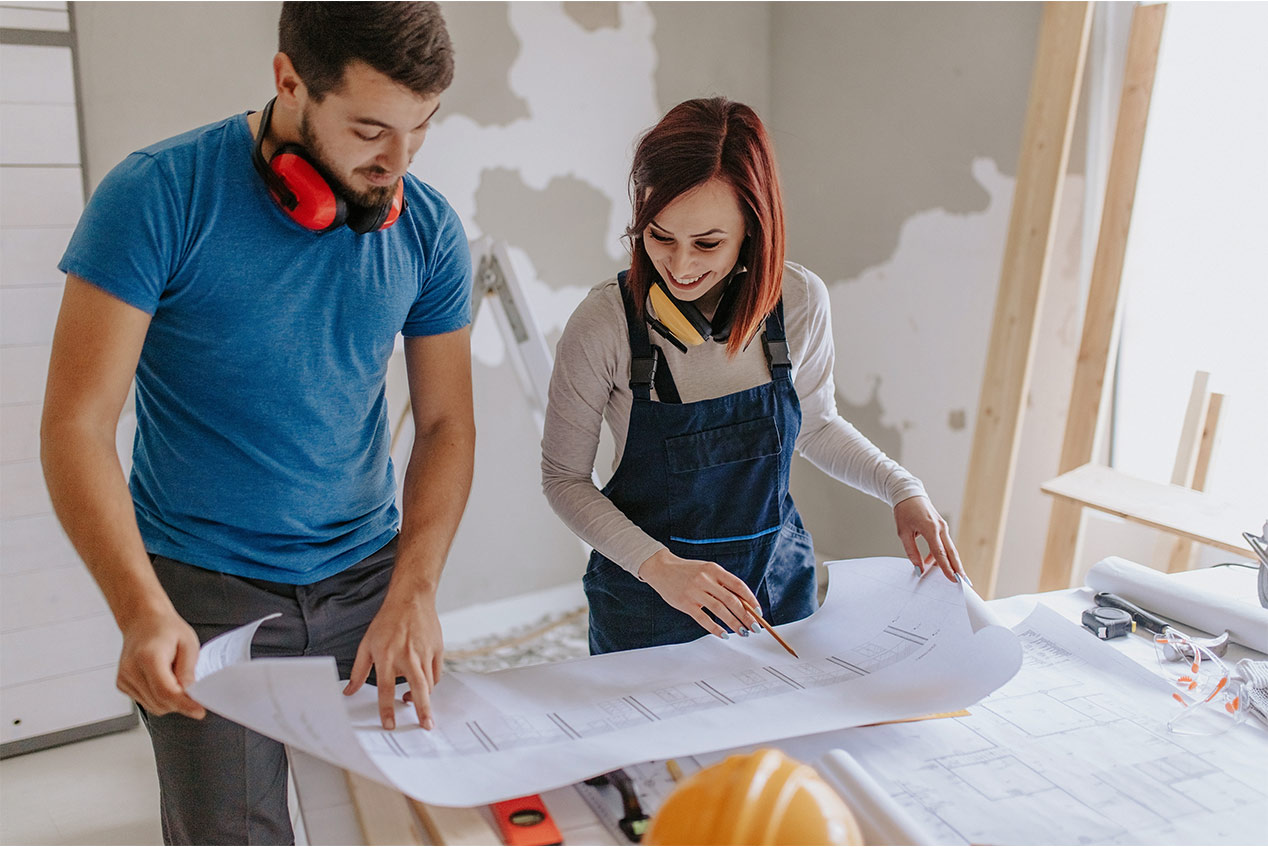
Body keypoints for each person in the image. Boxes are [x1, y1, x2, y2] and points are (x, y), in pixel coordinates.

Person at [40, 4, 474, 843]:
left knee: (393, 826)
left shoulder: (426, 228)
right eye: (371, 130)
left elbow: (448, 422)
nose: (398, 163)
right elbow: (76, 424)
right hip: (204, 597)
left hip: (369, 583)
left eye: (421, 129)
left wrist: (415, 590)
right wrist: (138, 607)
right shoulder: (155, 197)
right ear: (288, 81)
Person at [541, 98, 965, 656]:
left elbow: (815, 426)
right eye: (659, 236)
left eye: (708, 243)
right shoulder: (604, 324)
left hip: (776, 590)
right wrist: (661, 567)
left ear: (753, 227)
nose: (681, 266)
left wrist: (901, 488)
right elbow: (563, 479)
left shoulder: (800, 300)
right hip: (648, 605)